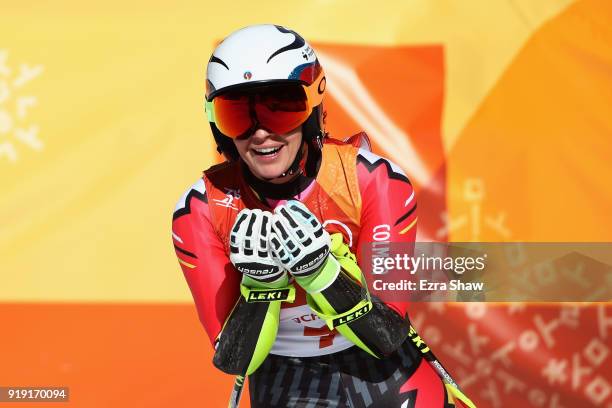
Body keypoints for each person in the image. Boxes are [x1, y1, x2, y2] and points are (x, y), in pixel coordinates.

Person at [172, 24, 475, 408]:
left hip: (384, 375)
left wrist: (322, 273)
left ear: (313, 109)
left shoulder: (372, 180)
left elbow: (385, 335)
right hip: (286, 379)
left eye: (280, 108)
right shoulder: (200, 209)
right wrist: (263, 286)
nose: (261, 132)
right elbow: (235, 359)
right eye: (237, 115)